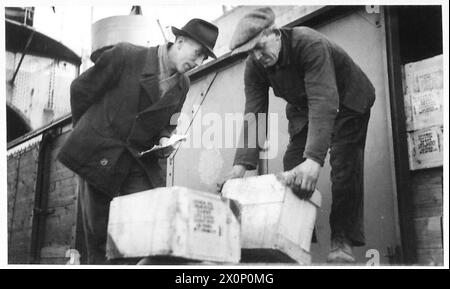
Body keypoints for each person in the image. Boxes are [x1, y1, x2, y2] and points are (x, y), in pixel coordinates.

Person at [218, 7, 375, 263]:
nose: (257, 56)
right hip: (306, 106)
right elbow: (255, 114)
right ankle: (295, 242)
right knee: (293, 167)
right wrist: (240, 167)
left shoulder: (307, 43)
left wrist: (314, 159)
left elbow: (324, 99)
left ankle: (342, 241)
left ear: (275, 32)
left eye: (260, 46)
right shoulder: (254, 65)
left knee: (344, 166)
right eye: (250, 52)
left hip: (349, 101)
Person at [58, 19, 219, 264]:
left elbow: (168, 122)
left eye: (204, 59)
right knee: (100, 236)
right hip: (99, 157)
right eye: (198, 54)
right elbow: (80, 90)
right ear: (180, 41)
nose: (197, 63)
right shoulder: (126, 56)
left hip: (138, 161)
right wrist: (89, 138)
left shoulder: (183, 84)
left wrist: (166, 138)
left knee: (145, 231)